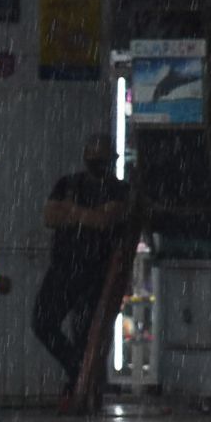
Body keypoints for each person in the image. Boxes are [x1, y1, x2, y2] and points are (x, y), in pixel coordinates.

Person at [31, 133, 130, 400]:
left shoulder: (118, 190)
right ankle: (80, 376)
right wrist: (87, 215)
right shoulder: (69, 183)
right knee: (42, 322)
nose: (97, 163)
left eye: (101, 158)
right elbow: (50, 216)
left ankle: (83, 384)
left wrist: (71, 212)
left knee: (86, 332)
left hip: (96, 273)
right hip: (64, 268)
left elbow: (104, 220)